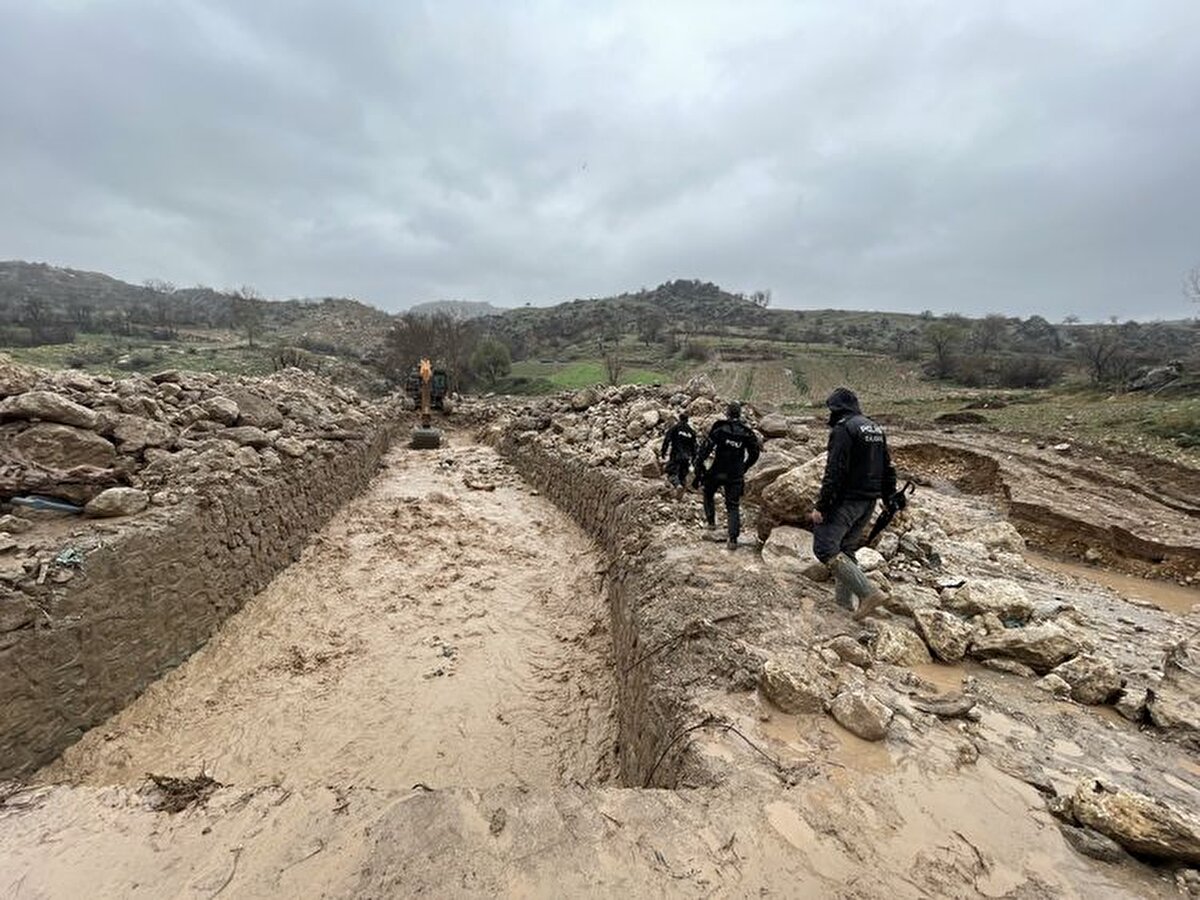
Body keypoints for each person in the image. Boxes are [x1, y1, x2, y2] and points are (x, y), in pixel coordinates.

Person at [809, 387, 897, 620]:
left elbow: (835, 471)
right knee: (846, 549)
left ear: (836, 408)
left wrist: (822, 505)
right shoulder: (875, 428)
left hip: (846, 499)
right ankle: (843, 605)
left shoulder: (844, 429)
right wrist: (889, 498)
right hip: (868, 501)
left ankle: (868, 593)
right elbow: (888, 468)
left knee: (825, 547)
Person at [694, 402, 760, 550]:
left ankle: (711, 523)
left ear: (727, 413)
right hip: (735, 473)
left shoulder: (720, 429)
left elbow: (706, 448)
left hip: (717, 470)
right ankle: (732, 540)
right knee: (733, 505)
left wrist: (700, 465)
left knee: (708, 492)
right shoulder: (746, 433)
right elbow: (755, 453)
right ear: (740, 414)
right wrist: (745, 466)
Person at [660, 412, 697, 498]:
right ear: (687, 420)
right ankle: (680, 495)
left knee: (671, 472)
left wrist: (663, 452)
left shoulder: (675, 428)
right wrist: (693, 459)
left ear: (679, 418)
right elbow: (695, 447)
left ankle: (677, 486)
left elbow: (667, 439)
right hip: (686, 457)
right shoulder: (691, 432)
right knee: (682, 475)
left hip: (676, 455)